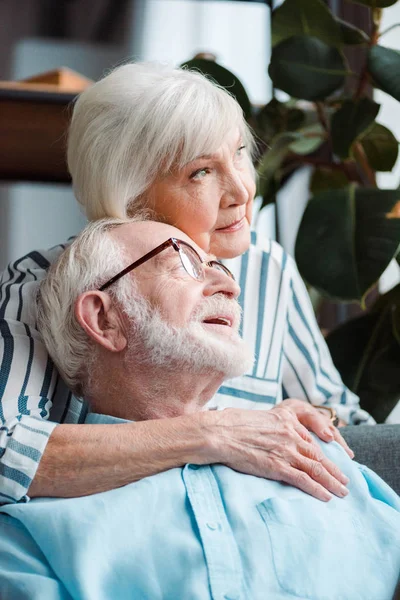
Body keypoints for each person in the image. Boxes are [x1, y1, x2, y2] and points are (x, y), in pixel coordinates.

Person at [0, 62, 378, 507]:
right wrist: (211, 434)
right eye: (200, 172)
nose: (241, 189)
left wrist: (312, 420)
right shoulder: (40, 285)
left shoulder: (265, 267)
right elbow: (7, 447)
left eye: (239, 153)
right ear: (131, 200)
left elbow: (348, 420)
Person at [0, 217, 399, 600]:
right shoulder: (29, 532)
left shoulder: (310, 451)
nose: (229, 285)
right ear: (105, 320)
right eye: (184, 264)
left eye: (221, 268)